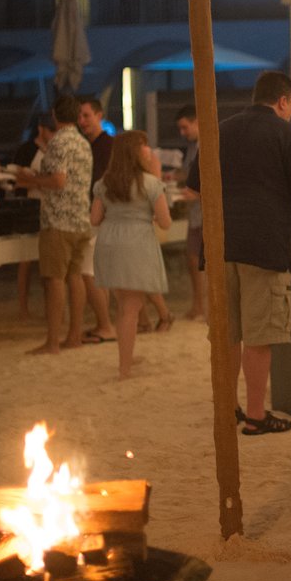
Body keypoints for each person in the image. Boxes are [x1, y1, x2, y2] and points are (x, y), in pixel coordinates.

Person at [185, 71, 291, 435]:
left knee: (227, 334)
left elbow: (195, 187)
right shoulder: (285, 134)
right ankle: (256, 414)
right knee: (259, 335)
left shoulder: (221, 131)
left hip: (218, 245)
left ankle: (227, 407)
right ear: (282, 100)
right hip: (264, 245)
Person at [16, 95, 93, 355]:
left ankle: (52, 341)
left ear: (55, 115)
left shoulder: (58, 142)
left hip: (58, 220)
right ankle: (73, 336)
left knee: (55, 279)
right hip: (81, 218)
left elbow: (59, 181)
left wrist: (32, 180)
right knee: (75, 276)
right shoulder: (83, 143)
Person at [91, 131, 171, 380]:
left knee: (123, 306)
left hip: (110, 242)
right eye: (144, 146)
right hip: (136, 243)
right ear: (137, 152)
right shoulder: (149, 183)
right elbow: (165, 222)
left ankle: (127, 355)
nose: (148, 150)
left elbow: (95, 219)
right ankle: (124, 368)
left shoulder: (105, 183)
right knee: (131, 309)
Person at [77, 96, 117, 345]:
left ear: (100, 115)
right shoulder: (91, 145)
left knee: (87, 271)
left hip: (100, 215)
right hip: (99, 215)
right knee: (98, 271)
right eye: (79, 117)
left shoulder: (106, 145)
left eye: (87, 116)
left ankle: (105, 324)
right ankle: (104, 323)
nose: (82, 122)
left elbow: (104, 184)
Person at [15, 118, 54, 319]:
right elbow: (15, 180)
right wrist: (37, 181)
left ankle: (50, 306)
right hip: (31, 208)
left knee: (48, 260)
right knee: (26, 259)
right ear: (40, 128)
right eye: (51, 129)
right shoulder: (27, 150)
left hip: (51, 208)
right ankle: (23, 306)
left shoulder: (57, 150)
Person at [174, 105, 207, 322]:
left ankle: (204, 306)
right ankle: (199, 305)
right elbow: (190, 172)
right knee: (193, 258)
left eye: (185, 127)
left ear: (196, 122)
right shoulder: (194, 146)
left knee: (202, 260)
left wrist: (196, 193)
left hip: (206, 213)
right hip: (196, 213)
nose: (182, 133)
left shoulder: (207, 144)